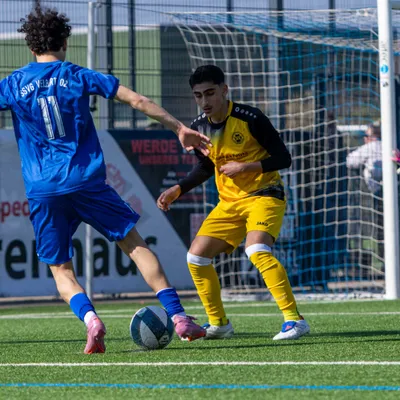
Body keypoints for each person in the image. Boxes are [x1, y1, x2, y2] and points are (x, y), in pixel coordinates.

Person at [0, 5, 211, 354]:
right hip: (87, 182)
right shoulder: (78, 75)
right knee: (135, 244)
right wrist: (178, 127)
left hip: (43, 189)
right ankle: (178, 316)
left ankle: (91, 320)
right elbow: (137, 100)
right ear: (65, 41)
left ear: (31, 46)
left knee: (61, 270)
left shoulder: (12, 84)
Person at [157, 65, 310, 340]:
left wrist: (246, 167)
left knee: (257, 250)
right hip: (229, 203)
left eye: (210, 93)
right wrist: (177, 189)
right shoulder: (198, 127)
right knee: (196, 257)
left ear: (224, 90)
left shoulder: (250, 118)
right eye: (198, 95)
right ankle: (219, 323)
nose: (204, 101)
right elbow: (206, 167)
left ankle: (294, 320)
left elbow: (283, 158)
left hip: (264, 194)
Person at [346, 121, 383, 269]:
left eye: (366, 136)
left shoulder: (370, 147)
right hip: (385, 194)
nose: (364, 139)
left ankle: (366, 260)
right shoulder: (390, 146)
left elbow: (350, 161)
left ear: (372, 137)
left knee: (367, 227)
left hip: (371, 195)